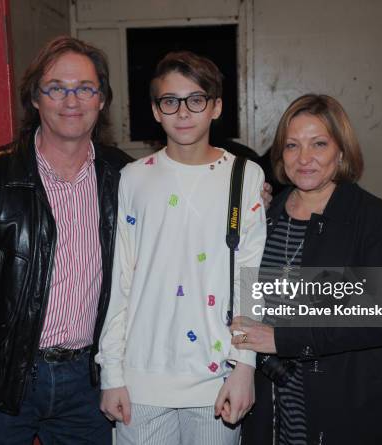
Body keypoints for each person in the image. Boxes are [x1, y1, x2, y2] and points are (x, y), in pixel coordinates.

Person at [0, 36, 132, 445]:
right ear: (35, 98)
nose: (71, 100)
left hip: (90, 383)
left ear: (101, 99)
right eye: (56, 87)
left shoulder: (125, 177)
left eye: (85, 88)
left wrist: (253, 194)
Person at [96, 51, 267, 445]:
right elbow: (120, 280)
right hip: (141, 381)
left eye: (196, 100)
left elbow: (251, 279)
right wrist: (112, 374)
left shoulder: (245, 174)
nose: (183, 112)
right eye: (170, 101)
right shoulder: (134, 179)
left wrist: (244, 367)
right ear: (156, 111)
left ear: (216, 106)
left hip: (216, 379)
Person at [231, 94, 382, 444]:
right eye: (292, 145)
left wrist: (282, 339)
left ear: (341, 151)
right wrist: (243, 359)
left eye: (318, 144)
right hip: (273, 404)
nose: (304, 159)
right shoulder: (263, 216)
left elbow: (379, 316)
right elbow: (236, 303)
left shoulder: (371, 217)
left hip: (347, 405)